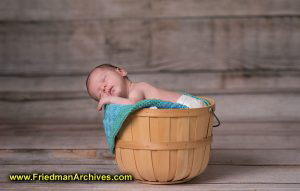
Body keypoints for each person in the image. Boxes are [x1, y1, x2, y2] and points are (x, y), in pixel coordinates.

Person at [86, 64, 206, 111]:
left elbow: (133, 103)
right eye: (100, 94)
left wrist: (109, 99)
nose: (104, 87)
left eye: (104, 79)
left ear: (121, 72)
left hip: (189, 106)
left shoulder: (137, 89)